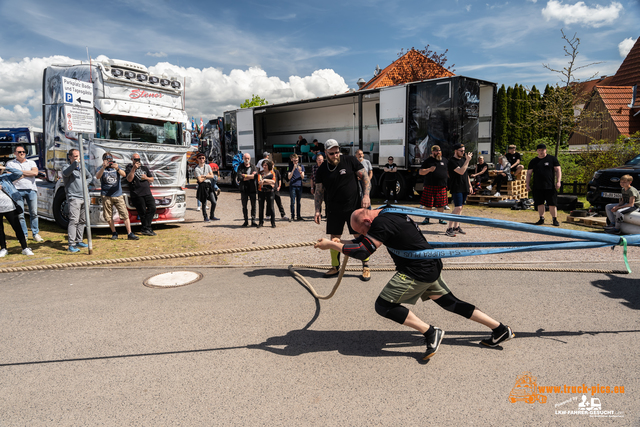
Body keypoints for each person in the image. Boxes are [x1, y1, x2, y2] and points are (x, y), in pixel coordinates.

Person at [314, 207, 514, 360]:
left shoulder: (381, 224)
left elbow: (363, 251)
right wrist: (341, 242)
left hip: (417, 270)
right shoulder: (389, 210)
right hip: (429, 264)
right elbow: (362, 244)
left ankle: (431, 332)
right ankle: (499, 329)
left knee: (383, 305)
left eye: (363, 230)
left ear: (367, 220)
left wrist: (332, 245)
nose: (365, 234)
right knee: (450, 302)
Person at [314, 138, 371, 281]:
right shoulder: (322, 170)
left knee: (359, 237)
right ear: (326, 153)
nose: (335, 155)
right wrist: (317, 210)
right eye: (332, 153)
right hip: (333, 208)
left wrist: (366, 195)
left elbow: (365, 177)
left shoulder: (350, 160)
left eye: (337, 152)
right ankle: (335, 267)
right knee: (334, 239)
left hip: (353, 207)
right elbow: (319, 191)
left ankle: (365, 266)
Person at [95, 152, 139, 240]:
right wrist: (103, 167)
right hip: (106, 195)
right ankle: (114, 232)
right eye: (107, 159)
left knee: (124, 214)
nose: (109, 161)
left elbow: (124, 174)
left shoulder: (116, 166)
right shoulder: (100, 168)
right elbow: (97, 177)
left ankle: (129, 233)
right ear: (103, 160)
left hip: (118, 194)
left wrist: (117, 168)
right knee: (108, 215)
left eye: (110, 159)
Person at [7, 145, 43, 243]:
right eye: (19, 152)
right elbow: (10, 176)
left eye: (23, 151)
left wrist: (19, 173)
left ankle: (35, 233)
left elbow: (35, 173)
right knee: (20, 214)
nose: (22, 153)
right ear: (15, 153)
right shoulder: (10, 163)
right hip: (17, 191)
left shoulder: (31, 162)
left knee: (34, 213)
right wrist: (28, 173)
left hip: (31, 190)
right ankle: (24, 234)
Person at [0, 165, 34, 257]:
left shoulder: (5, 177)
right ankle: (3, 248)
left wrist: (5, 168)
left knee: (17, 228)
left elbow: (19, 173)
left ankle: (24, 248)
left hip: (9, 207)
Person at [63, 148, 93, 252]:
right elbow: (66, 173)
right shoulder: (67, 167)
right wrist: (75, 163)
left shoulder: (82, 167)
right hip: (74, 198)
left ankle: (79, 240)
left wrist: (86, 183)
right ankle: (71, 244)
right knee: (73, 221)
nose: (78, 159)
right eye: (75, 156)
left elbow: (90, 177)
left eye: (79, 156)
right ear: (70, 157)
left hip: (85, 197)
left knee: (83, 220)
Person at [526, 143, 562, 226]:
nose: (541, 152)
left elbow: (558, 170)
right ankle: (541, 218)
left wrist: (558, 181)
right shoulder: (533, 161)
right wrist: (527, 184)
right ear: (537, 151)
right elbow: (529, 174)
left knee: (552, 203)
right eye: (539, 150)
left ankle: (554, 219)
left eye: (542, 150)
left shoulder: (552, 159)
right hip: (537, 186)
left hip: (550, 186)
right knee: (539, 203)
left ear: (545, 150)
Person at [125, 153, 157, 236]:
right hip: (137, 193)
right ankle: (147, 229)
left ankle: (146, 228)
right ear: (132, 159)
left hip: (147, 192)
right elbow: (129, 179)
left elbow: (152, 179)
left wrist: (146, 178)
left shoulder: (144, 168)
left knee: (152, 207)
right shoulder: (129, 168)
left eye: (138, 159)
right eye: (135, 159)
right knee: (142, 212)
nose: (137, 161)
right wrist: (134, 169)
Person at [446, 143, 473, 237]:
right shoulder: (452, 161)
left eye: (464, 151)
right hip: (456, 187)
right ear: (455, 151)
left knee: (461, 207)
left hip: (464, 186)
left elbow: (466, 174)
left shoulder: (463, 160)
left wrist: (470, 185)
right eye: (461, 151)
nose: (463, 152)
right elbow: (461, 171)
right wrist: (468, 161)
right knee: (458, 207)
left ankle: (456, 227)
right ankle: (449, 228)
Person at [418, 145, 448, 226]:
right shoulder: (428, 161)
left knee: (441, 203)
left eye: (439, 150)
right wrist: (429, 169)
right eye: (436, 151)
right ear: (432, 152)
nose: (438, 152)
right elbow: (420, 172)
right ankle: (427, 218)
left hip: (441, 186)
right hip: (430, 185)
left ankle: (441, 218)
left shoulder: (444, 160)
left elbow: (448, 172)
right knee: (428, 203)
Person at [194, 152, 219, 222]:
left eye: (203, 158)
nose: (202, 159)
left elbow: (212, 176)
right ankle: (205, 217)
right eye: (200, 158)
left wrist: (204, 176)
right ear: (198, 159)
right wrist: (207, 176)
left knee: (214, 201)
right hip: (202, 186)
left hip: (209, 185)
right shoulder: (197, 169)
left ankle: (212, 215)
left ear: (205, 159)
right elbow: (200, 180)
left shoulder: (208, 166)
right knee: (204, 203)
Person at [237, 152, 258, 227]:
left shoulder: (253, 166)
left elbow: (255, 177)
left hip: (252, 189)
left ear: (250, 159)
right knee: (244, 206)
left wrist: (245, 176)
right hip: (244, 189)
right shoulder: (240, 167)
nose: (247, 159)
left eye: (248, 158)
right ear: (243, 159)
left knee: (253, 206)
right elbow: (239, 178)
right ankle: (246, 221)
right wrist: (250, 176)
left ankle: (253, 220)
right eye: (245, 158)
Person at [258, 159, 276, 228]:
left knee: (271, 207)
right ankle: (260, 222)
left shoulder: (272, 173)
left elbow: (273, 182)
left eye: (265, 165)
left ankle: (273, 223)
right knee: (261, 207)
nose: (264, 166)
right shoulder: (260, 173)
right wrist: (269, 181)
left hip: (270, 192)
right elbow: (259, 182)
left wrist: (265, 180)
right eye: (263, 165)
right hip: (261, 191)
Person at [287, 153, 305, 221]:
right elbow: (289, 177)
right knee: (292, 201)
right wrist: (293, 169)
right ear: (292, 160)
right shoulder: (290, 166)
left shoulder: (301, 166)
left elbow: (303, 177)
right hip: (293, 185)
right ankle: (292, 216)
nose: (296, 162)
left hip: (299, 185)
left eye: (297, 160)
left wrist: (300, 171)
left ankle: (298, 216)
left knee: (298, 202)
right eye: (294, 160)